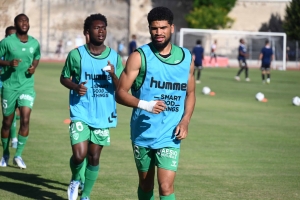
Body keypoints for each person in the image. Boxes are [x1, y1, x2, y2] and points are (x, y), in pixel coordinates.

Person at [116, 7, 196, 200]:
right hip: (143, 131)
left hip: (170, 134)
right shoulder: (139, 57)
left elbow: (191, 93)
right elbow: (119, 93)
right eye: (154, 28)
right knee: (146, 184)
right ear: (149, 29)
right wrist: (146, 105)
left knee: (166, 186)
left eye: (163, 28)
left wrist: (185, 120)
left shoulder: (186, 58)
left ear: (172, 28)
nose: (158, 33)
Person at [60, 13, 123, 200]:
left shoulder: (114, 57)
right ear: (87, 32)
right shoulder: (76, 55)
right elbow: (64, 77)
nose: (101, 31)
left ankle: (85, 195)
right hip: (80, 110)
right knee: (79, 155)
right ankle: (75, 179)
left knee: (94, 157)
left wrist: (112, 74)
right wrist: (75, 86)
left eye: (104, 27)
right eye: (97, 28)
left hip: (103, 115)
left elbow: (121, 88)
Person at [0, 14, 41, 169]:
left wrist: (34, 67)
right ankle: (5, 153)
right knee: (7, 122)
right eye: (21, 21)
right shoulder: (7, 42)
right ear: (15, 24)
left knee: (25, 119)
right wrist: (8, 63)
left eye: (26, 21)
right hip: (9, 87)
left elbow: (36, 56)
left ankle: (18, 155)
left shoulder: (34, 43)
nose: (24, 23)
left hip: (27, 87)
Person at [0, 26, 19, 151]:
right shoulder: (2, 47)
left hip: (14, 85)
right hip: (2, 83)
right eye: (9, 35)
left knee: (12, 114)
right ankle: (13, 139)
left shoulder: (18, 50)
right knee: (8, 114)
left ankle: (14, 138)